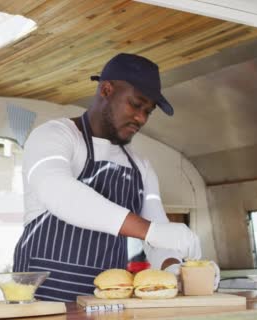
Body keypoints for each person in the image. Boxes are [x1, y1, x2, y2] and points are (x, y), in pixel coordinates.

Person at [13, 53, 202, 302]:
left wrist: (173, 269)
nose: (141, 118)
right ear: (106, 89)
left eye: (148, 111)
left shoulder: (140, 167)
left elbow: (158, 234)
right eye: (136, 104)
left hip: (106, 305)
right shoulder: (54, 136)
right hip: (40, 302)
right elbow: (59, 192)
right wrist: (150, 230)